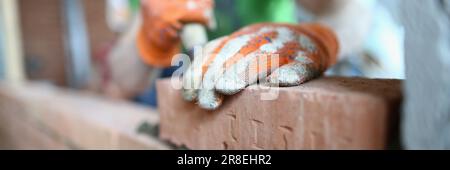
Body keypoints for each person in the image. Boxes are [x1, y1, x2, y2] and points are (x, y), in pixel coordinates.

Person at [94, 0, 404, 109]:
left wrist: (322, 38)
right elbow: (123, 75)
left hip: (269, 64)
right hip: (184, 78)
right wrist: (150, 35)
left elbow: (351, 9)